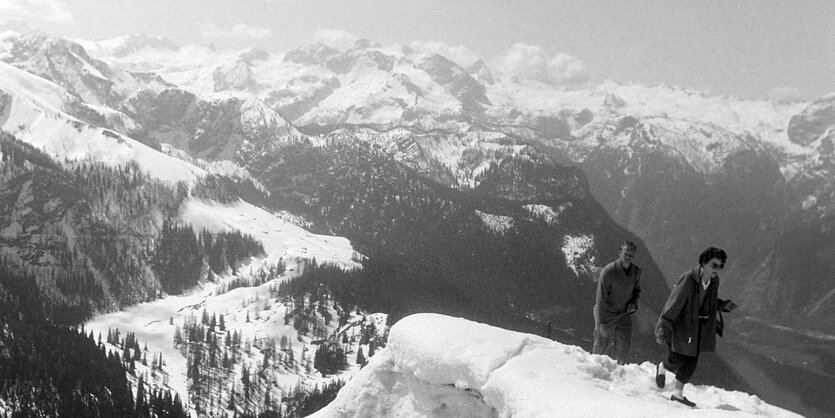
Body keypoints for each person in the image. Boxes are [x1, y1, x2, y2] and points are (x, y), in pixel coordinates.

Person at [654, 246, 738, 407]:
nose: (717, 270)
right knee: (678, 358)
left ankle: (677, 393)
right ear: (703, 263)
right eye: (714, 265)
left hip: (700, 327)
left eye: (720, 266)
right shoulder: (688, 279)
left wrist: (723, 305)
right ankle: (662, 367)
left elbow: (709, 302)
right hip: (683, 325)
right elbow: (674, 303)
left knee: (692, 359)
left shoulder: (714, 281)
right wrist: (663, 326)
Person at [593, 240, 642, 364]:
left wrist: (634, 302)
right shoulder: (608, 271)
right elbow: (600, 298)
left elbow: (636, 290)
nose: (628, 257)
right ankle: (593, 370)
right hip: (606, 313)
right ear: (619, 253)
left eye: (631, 255)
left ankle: (618, 371)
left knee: (624, 345)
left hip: (624, 314)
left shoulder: (636, 271)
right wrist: (601, 322)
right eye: (626, 253)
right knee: (601, 345)